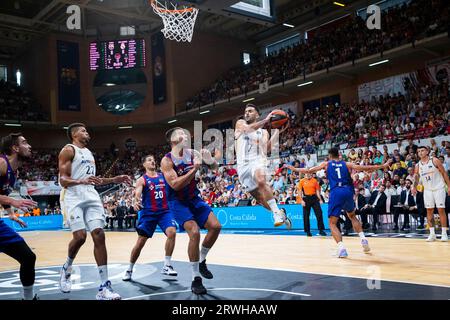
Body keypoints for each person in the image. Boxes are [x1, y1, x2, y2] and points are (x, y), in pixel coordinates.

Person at [58, 123, 132, 300]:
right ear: (74, 134)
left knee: (99, 234)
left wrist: (114, 179)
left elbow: (94, 180)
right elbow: (63, 180)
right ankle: (67, 267)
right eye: (83, 130)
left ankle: (104, 287)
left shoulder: (89, 153)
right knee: (80, 237)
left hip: (90, 194)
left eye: (86, 129)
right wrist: (81, 181)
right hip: (73, 196)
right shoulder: (68, 150)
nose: (87, 132)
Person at [293, 148, 391, 258]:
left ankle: (341, 248)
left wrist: (292, 168)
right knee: (352, 216)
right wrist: (383, 166)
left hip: (336, 192)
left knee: (332, 223)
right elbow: (365, 167)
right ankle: (363, 239)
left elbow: (308, 170)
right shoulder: (346, 163)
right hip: (348, 191)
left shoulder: (327, 163)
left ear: (330, 156)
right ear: (339, 155)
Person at [161, 127, 222, 295]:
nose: (185, 135)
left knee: (216, 227)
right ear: (173, 140)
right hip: (177, 202)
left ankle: (201, 261)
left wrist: (209, 159)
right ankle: (196, 278)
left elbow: (214, 167)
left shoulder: (193, 152)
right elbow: (175, 185)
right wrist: (194, 169)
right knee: (194, 232)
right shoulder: (166, 161)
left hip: (194, 198)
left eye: (185, 132)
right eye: (180, 133)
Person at [234, 104, 291, 228]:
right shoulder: (240, 123)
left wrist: (277, 132)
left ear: (257, 114)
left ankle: (276, 214)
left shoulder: (264, 132)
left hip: (257, 160)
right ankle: (281, 213)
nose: (247, 113)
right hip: (242, 166)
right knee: (260, 199)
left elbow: (266, 148)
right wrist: (266, 120)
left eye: (250, 111)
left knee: (261, 181)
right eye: (246, 111)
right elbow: (247, 130)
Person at [123, 155, 178, 281]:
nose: (153, 161)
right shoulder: (142, 180)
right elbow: (138, 193)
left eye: (153, 160)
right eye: (149, 160)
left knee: (172, 232)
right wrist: (136, 201)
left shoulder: (163, 175)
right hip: (149, 213)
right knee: (140, 242)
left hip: (164, 212)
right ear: (144, 164)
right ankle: (130, 268)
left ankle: (167, 265)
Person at [0, 133, 38, 300]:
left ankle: (28, 298)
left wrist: (12, 215)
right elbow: (6, 197)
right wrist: (12, 201)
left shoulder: (14, 171)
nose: (29, 146)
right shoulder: (1, 163)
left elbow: (1, 194)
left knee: (28, 257)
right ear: (15, 148)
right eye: (25, 142)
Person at [414, 146, 450, 241]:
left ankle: (444, 234)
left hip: (439, 188)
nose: (420, 153)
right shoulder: (417, 165)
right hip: (427, 190)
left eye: (422, 150)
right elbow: (416, 178)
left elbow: (444, 173)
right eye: (418, 151)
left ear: (427, 151)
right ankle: (432, 234)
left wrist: (449, 186)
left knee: (441, 210)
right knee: (429, 211)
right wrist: (414, 187)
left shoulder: (434, 160)